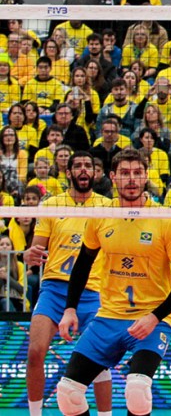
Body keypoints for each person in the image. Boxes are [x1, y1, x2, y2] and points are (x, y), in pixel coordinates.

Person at [55, 148, 171, 416]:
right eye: (124, 173)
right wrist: (70, 308)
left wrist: (155, 317)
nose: (131, 179)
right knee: (68, 394)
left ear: (145, 177)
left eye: (137, 173)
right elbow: (82, 265)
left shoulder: (166, 221)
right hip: (108, 316)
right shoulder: (100, 216)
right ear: (112, 177)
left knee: (137, 391)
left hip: (149, 319)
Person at [22, 151, 113, 416]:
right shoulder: (52, 204)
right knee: (35, 352)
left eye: (89, 166)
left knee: (99, 361)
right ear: (69, 172)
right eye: (78, 166)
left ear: (95, 173)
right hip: (54, 288)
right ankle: (35, 414)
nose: (84, 170)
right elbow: (35, 250)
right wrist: (28, 254)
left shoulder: (107, 206)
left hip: (93, 290)